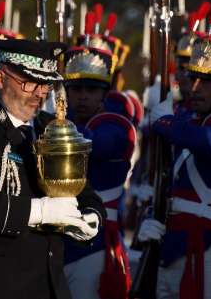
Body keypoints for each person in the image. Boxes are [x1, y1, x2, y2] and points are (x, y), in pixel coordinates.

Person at [0, 38, 105, 299]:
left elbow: (85, 190)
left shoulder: (52, 127)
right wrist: (40, 211)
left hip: (46, 283)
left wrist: (91, 216)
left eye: (46, 84)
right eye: (30, 83)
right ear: (1, 78)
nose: (40, 93)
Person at [137, 11, 211, 298]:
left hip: (203, 249)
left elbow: (208, 143)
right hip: (167, 242)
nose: (196, 87)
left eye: (209, 81)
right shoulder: (186, 120)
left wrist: (164, 122)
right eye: (194, 78)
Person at [62, 23, 137, 298]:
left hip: (94, 242)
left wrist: (47, 120)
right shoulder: (59, 123)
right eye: (76, 88)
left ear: (105, 94)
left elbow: (92, 143)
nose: (83, 96)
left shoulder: (116, 126)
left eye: (91, 90)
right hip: (56, 241)